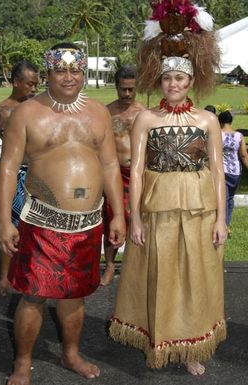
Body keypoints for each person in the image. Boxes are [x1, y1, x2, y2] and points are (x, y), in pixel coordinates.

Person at [0, 42, 126, 384]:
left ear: (83, 72)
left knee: (75, 295)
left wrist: (119, 214)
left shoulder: (99, 113)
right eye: (60, 70)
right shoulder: (26, 113)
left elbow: (111, 164)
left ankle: (70, 355)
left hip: (88, 223)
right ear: (47, 73)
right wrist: (3, 223)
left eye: (75, 70)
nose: (68, 77)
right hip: (42, 222)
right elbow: (8, 169)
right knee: (34, 295)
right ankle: (23, 362)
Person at [109, 0, 227, 376]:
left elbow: (218, 173)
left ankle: (192, 347)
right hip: (156, 212)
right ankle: (155, 339)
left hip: (199, 210)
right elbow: (139, 171)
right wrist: (135, 218)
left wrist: (221, 219)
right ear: (158, 80)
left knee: (195, 279)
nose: (173, 84)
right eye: (167, 78)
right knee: (157, 278)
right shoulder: (145, 119)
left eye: (180, 78)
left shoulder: (208, 120)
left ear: (192, 81)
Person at [0, 60, 39, 296]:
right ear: (16, 83)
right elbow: (18, 147)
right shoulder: (3, 110)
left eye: (36, 85)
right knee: (10, 225)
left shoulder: (39, 108)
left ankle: (34, 273)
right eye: (29, 84)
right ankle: (4, 280)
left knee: (38, 227)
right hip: (17, 175)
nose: (33, 89)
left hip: (39, 174)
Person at [101, 65, 146, 286]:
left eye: (131, 89)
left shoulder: (144, 113)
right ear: (116, 87)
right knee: (112, 217)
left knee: (138, 217)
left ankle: (133, 266)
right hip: (114, 173)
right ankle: (110, 265)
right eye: (123, 89)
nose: (127, 94)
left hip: (137, 173)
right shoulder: (106, 112)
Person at [218, 110, 248, 235]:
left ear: (219, 121)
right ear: (231, 121)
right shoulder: (239, 136)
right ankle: (226, 224)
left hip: (221, 171)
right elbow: (243, 155)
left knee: (222, 200)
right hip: (235, 172)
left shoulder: (217, 134)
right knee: (230, 199)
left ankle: (223, 225)